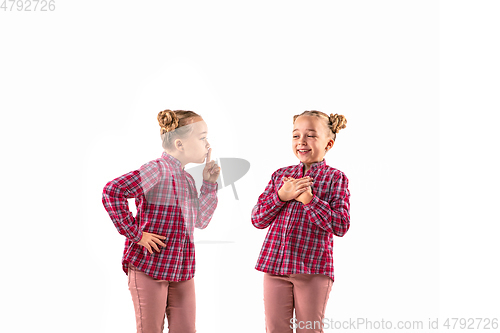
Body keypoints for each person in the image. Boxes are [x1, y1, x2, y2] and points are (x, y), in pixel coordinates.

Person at [102, 110, 220, 333]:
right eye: (202, 137)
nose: (208, 144)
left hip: (181, 270)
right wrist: (137, 235)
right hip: (150, 268)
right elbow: (112, 191)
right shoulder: (157, 170)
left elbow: (201, 220)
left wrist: (209, 184)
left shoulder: (186, 179)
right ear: (180, 143)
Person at [251, 111, 351, 333]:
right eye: (296, 136)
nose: (302, 142)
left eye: (311, 135)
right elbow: (257, 219)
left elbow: (341, 225)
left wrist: (309, 200)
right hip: (275, 266)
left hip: (313, 270)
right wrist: (281, 197)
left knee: (309, 330)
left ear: (329, 144)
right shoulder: (280, 176)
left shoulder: (335, 178)